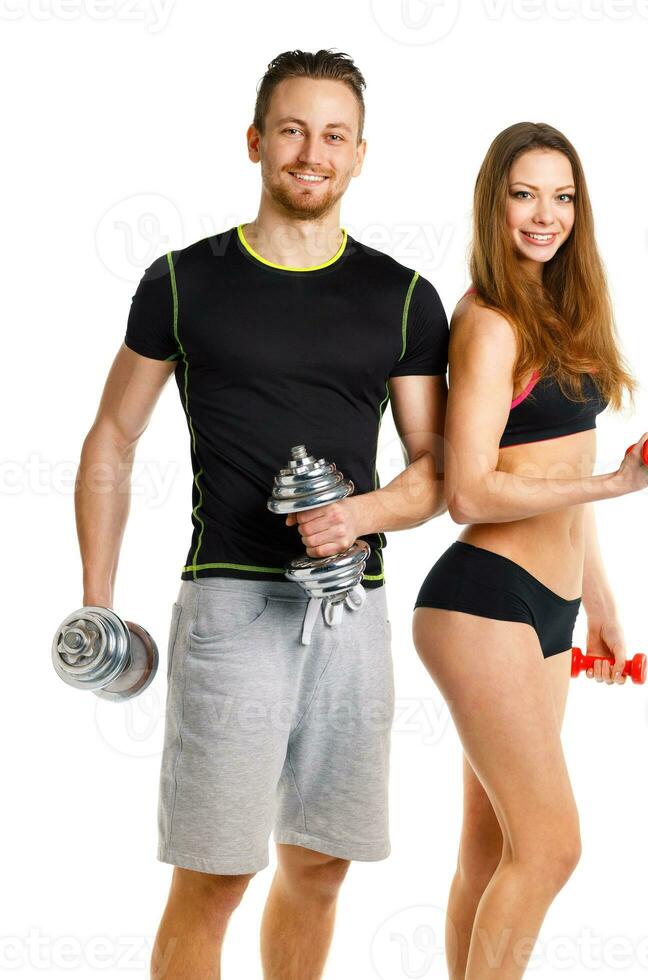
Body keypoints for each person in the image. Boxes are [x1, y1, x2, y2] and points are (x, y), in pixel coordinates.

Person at [74, 49, 449, 979]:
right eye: (291, 129)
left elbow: (437, 472)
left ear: (361, 154)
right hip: (229, 608)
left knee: (320, 866)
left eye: (332, 135)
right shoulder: (182, 281)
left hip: (348, 608)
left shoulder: (402, 297)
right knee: (214, 877)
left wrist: (358, 512)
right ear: (254, 141)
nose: (310, 152)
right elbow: (111, 440)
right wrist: (95, 601)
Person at [412, 122, 648, 979]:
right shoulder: (488, 321)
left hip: (549, 614)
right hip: (483, 600)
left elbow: (565, 469)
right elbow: (470, 490)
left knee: (492, 855)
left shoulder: (559, 312)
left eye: (561, 196)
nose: (544, 214)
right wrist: (611, 487)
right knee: (553, 848)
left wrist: (599, 608)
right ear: (494, 201)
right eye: (524, 193)